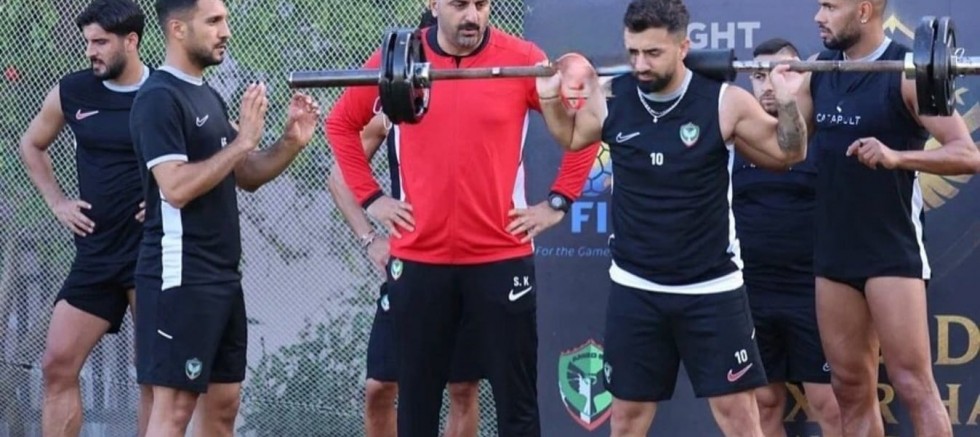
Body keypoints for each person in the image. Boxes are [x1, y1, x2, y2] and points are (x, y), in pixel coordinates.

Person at [535, 0, 810, 435]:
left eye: (653, 53)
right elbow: (572, 137)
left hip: (711, 288)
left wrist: (789, 100)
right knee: (626, 421)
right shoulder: (612, 96)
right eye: (633, 52)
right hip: (636, 287)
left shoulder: (724, 102)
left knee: (740, 418)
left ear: (683, 47)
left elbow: (789, 151)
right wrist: (551, 97)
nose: (640, 65)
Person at [325, 0, 599, 435]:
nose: (472, 15)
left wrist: (559, 201)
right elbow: (340, 123)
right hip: (420, 261)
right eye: (458, 4)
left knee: (518, 408)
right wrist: (371, 197)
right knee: (415, 408)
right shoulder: (399, 59)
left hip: (501, 259)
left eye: (482, 4)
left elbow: (585, 127)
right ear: (432, 4)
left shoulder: (522, 59)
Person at [129, 0, 320, 436]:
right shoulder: (158, 98)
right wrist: (243, 141)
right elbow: (175, 188)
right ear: (178, 29)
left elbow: (245, 173)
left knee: (223, 405)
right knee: (175, 408)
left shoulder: (208, 94)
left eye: (226, 20)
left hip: (222, 277)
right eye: (213, 21)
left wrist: (290, 142)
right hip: (180, 275)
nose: (225, 31)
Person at [800, 1, 980, 436]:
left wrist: (897, 156)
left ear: (864, 10)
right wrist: (788, 100)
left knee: (913, 385)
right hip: (834, 253)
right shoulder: (818, 70)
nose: (819, 16)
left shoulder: (906, 72)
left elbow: (967, 154)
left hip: (890, 252)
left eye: (830, 6)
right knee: (849, 386)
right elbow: (788, 148)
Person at [326, 9, 482, 437]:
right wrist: (370, 237)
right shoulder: (398, 101)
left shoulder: (481, 87)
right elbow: (340, 175)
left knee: (462, 387)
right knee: (379, 387)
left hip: (472, 260)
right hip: (412, 263)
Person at [17, 1, 153, 435]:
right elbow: (31, 144)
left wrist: (169, 198)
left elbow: (209, 157)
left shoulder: (165, 93)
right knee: (56, 363)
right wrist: (57, 201)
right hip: (96, 252)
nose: (90, 51)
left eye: (100, 42)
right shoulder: (73, 91)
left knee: (153, 374)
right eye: (87, 42)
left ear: (130, 41)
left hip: (151, 251)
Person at [732, 37, 841, 437]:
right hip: (750, 291)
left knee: (830, 404)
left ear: (803, 79)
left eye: (781, 74)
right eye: (758, 76)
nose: (768, 85)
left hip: (814, 289)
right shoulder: (733, 137)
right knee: (763, 403)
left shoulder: (825, 135)